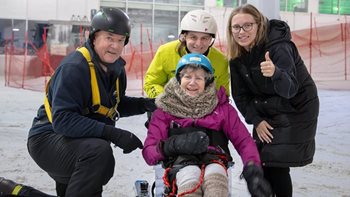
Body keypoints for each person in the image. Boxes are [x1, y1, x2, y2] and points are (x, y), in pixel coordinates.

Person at [24, 8, 156, 197]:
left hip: (78, 141)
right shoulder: (75, 68)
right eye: (109, 38)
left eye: (120, 40)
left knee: (92, 169)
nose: (115, 46)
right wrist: (114, 134)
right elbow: (63, 120)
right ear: (93, 37)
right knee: (98, 154)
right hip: (49, 138)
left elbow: (112, 105)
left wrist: (145, 104)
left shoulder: (116, 69)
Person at [142, 53, 272, 197]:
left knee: (215, 178)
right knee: (190, 175)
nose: (192, 82)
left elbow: (244, 141)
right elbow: (149, 151)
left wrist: (252, 168)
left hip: (215, 160)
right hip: (180, 165)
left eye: (199, 78)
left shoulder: (222, 109)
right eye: (187, 77)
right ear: (179, 79)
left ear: (207, 81)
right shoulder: (165, 110)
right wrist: (169, 146)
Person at [226, 4, 319, 197]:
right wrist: (257, 120)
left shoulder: (278, 47)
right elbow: (241, 97)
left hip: (296, 107)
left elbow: (290, 89)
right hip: (267, 107)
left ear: (259, 25)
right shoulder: (237, 58)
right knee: (261, 160)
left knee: (275, 161)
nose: (241, 32)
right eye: (236, 27)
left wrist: (276, 73)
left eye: (247, 25)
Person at [143, 9, 230, 98]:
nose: (198, 43)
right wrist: (168, 101)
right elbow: (152, 83)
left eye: (204, 38)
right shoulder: (165, 52)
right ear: (184, 36)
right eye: (193, 37)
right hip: (169, 106)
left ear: (211, 39)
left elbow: (223, 94)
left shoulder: (221, 61)